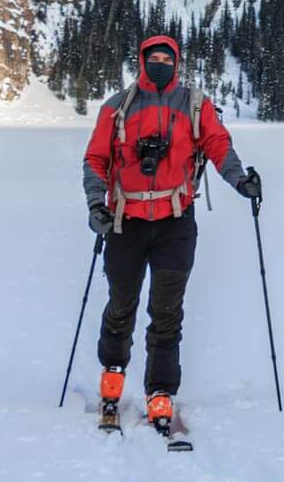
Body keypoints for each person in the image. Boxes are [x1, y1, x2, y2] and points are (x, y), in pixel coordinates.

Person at [82, 34, 261, 429]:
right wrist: (97, 204)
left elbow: (218, 145)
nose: (160, 63)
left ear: (176, 62)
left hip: (175, 221)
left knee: (167, 312)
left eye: (167, 57)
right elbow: (95, 159)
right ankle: (112, 373)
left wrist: (240, 181)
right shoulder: (117, 107)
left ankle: (160, 391)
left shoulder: (194, 105)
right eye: (153, 57)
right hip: (124, 220)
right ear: (142, 61)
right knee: (121, 304)